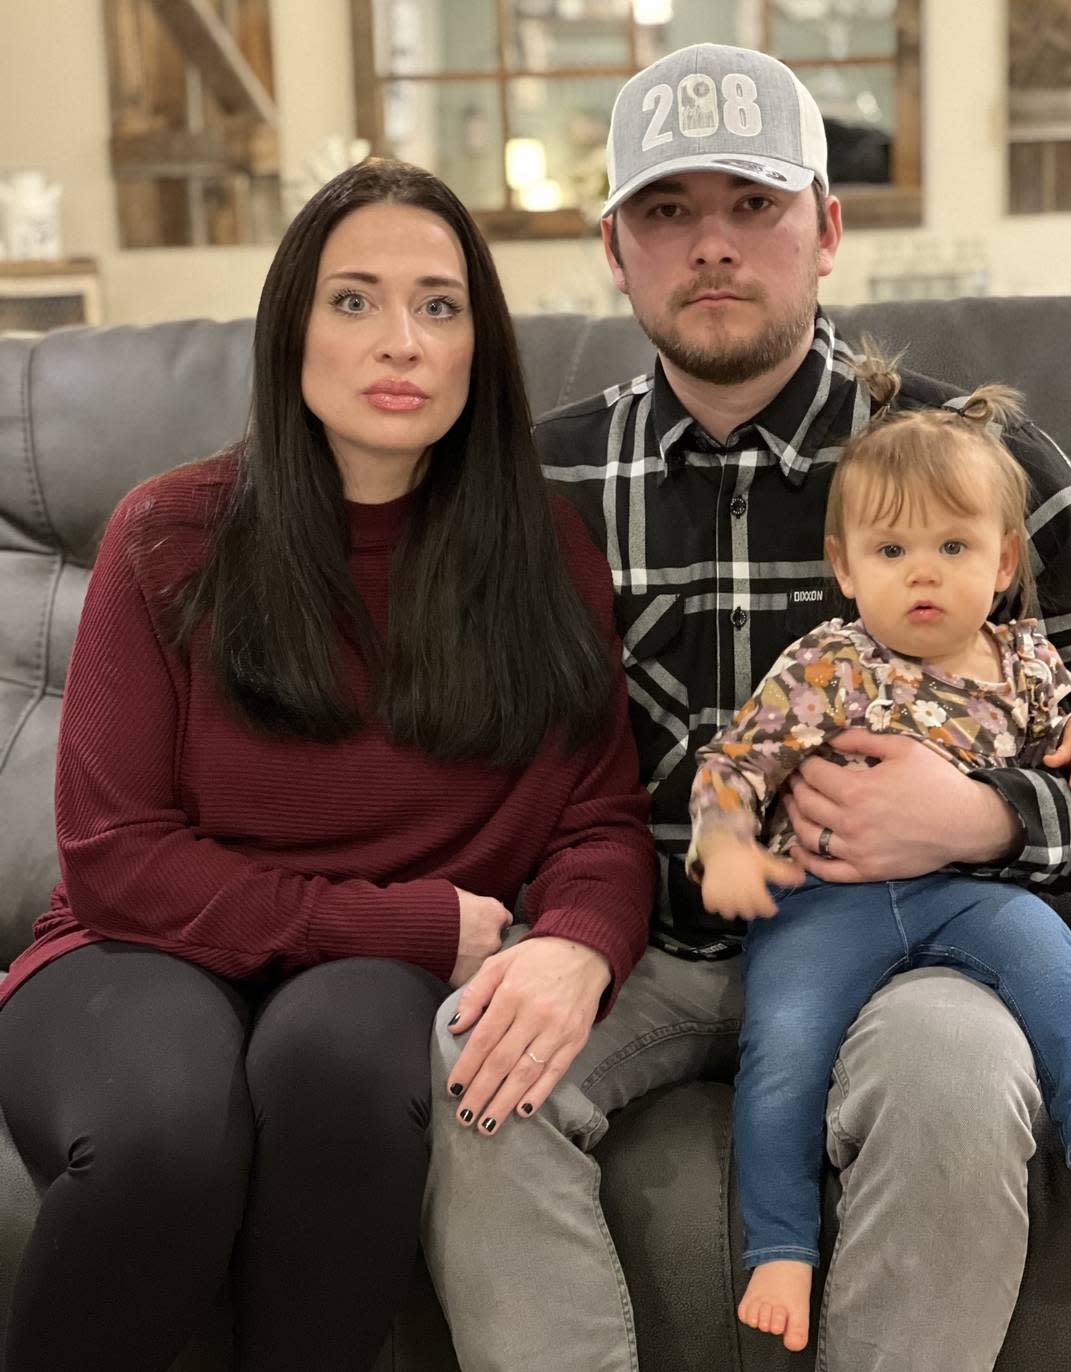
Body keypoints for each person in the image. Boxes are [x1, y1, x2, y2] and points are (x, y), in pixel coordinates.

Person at [423, 43, 1071, 1372]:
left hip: (917, 950)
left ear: (826, 228)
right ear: (615, 249)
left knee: (960, 1075)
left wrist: (984, 818)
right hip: (642, 949)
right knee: (478, 1054)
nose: (713, 246)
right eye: (668, 211)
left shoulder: (980, 466)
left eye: (752, 205)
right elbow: (467, 766)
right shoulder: (536, 483)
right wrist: (565, 927)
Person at [0, 158, 655, 1372]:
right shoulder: (169, 532)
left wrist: (579, 942)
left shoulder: (543, 549)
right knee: (163, 1135)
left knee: (344, 1057)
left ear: (479, 345)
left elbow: (602, 820)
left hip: (366, 989)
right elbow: (115, 864)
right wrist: (409, 922)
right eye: (353, 300)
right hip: (136, 953)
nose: (399, 340)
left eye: (439, 305)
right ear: (290, 329)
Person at [689, 380, 1071, 1353]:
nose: (923, 575)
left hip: (967, 892)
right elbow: (738, 760)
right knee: (785, 1047)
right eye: (892, 552)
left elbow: (1069, 727)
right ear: (845, 569)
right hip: (821, 903)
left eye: (953, 548)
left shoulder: (1021, 661)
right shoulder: (828, 665)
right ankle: (780, 1246)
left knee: (1051, 958)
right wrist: (724, 840)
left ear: (1005, 560)